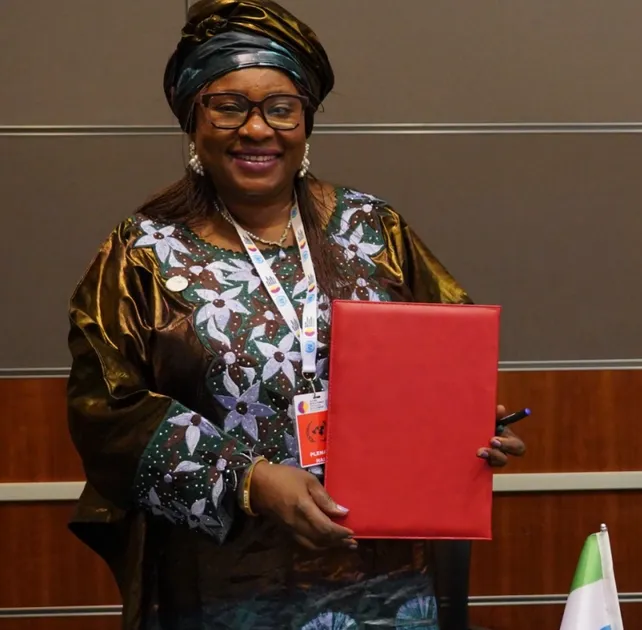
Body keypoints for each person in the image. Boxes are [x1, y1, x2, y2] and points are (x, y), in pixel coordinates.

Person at [64, 1, 526, 628]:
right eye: (229, 106)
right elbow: (106, 411)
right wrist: (249, 479)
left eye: (281, 108)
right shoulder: (143, 254)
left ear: (305, 121)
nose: (257, 129)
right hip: (225, 583)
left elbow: (446, 351)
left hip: (383, 578)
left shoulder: (372, 230)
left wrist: (468, 425)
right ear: (193, 120)